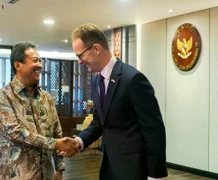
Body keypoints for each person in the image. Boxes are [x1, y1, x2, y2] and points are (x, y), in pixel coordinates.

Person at [71, 23, 168, 180]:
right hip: (109, 166)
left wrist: (155, 175)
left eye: (80, 55)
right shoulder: (96, 82)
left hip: (135, 169)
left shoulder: (133, 79)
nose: (79, 62)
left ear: (96, 49)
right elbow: (99, 122)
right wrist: (79, 141)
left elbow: (153, 129)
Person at [0, 41, 78, 180]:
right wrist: (54, 143)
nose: (40, 65)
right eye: (35, 61)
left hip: (46, 175)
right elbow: (16, 132)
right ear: (18, 65)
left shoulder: (47, 98)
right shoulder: (2, 97)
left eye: (40, 61)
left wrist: (59, 168)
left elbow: (57, 132)